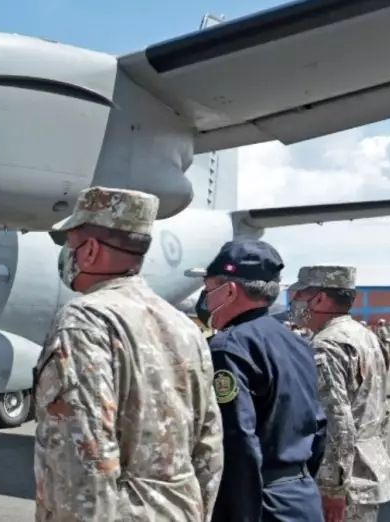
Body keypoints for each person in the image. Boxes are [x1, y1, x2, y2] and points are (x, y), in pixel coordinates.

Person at [34, 187, 223, 521]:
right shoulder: (185, 327)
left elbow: (83, 457)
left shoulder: (86, 319)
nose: (69, 255)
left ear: (90, 250)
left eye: (72, 245)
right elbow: (209, 447)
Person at [188, 239, 327, 522]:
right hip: (300, 498)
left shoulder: (228, 347)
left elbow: (238, 441)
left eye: (208, 288)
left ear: (229, 291)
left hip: (259, 503)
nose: (206, 298)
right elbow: (320, 425)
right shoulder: (297, 343)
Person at [288, 266, 390, 522]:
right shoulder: (367, 337)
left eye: (300, 295)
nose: (295, 302)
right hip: (368, 472)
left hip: (343, 483)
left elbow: (338, 420)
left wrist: (332, 487)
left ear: (320, 299)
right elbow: (380, 410)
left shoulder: (326, 346)